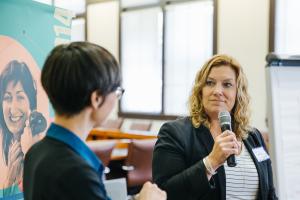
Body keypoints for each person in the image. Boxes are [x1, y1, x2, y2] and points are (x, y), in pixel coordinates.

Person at [23, 42, 166, 200]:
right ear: (97, 99)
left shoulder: (35, 152)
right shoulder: (77, 173)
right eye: (117, 92)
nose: (116, 99)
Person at [152, 54, 278, 200]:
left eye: (227, 84)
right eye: (210, 83)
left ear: (238, 93)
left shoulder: (253, 136)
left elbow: (269, 193)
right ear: (200, 90)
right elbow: (163, 193)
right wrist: (211, 162)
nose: (217, 91)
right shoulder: (175, 133)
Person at [0, 60, 46, 194]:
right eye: (7, 98)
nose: (13, 108)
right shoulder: (9, 150)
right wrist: (9, 180)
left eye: (20, 97)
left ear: (31, 104)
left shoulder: (39, 147)